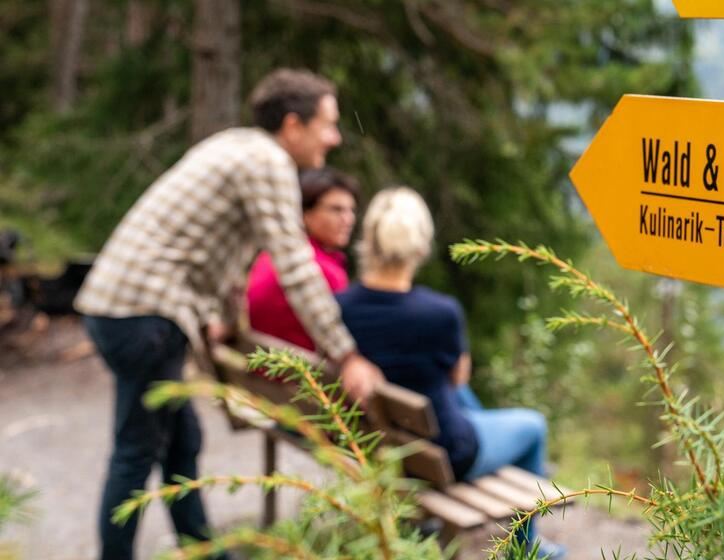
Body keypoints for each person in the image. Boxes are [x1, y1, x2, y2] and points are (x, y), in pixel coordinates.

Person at [74, 68, 382, 560]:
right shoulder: (267, 162)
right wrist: (346, 355)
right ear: (293, 125)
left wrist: (225, 316)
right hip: (144, 316)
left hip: (122, 309)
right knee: (136, 452)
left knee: (182, 441)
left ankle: (205, 551)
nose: (335, 137)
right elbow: (294, 264)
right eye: (327, 124)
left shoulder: (236, 146)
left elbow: (219, 253)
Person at [336, 187, 566, 558]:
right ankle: (524, 549)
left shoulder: (341, 305)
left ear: (369, 242)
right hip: (447, 457)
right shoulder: (440, 312)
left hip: (383, 447)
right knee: (533, 425)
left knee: (452, 395)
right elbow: (459, 376)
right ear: (420, 247)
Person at [247, 167, 359, 352]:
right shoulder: (322, 270)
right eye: (336, 210)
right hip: (299, 368)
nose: (348, 219)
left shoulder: (273, 254)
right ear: (305, 213)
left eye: (351, 210)